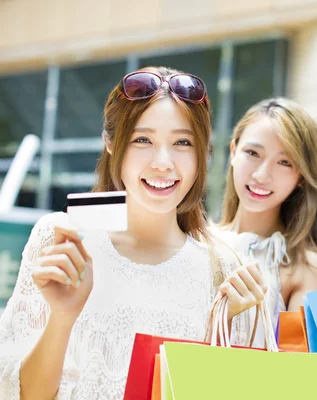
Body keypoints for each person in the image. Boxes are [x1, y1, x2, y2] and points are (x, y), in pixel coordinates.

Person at [0, 67, 265, 399]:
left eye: (183, 142)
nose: (163, 162)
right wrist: (63, 315)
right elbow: (23, 395)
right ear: (111, 143)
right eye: (143, 139)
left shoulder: (224, 268)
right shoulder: (62, 238)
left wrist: (222, 329)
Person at [213, 98, 317, 344]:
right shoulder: (196, 240)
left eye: (284, 162)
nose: (262, 175)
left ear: (302, 176)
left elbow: (296, 368)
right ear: (233, 152)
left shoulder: (304, 266)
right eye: (252, 153)